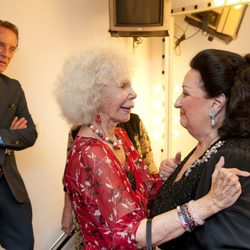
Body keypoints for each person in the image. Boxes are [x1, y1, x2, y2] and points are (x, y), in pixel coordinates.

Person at [54, 46, 248, 249]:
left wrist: (169, 177)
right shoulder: (91, 154)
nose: (133, 93)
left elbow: (145, 193)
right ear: (95, 95)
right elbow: (129, 235)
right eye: (123, 86)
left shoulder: (118, 137)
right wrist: (207, 205)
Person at [150, 49, 250, 249]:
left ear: (216, 103)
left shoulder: (232, 157)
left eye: (186, 93)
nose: (177, 102)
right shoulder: (203, 147)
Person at [61, 113, 158, 249]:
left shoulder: (129, 127)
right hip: (104, 231)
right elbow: (70, 176)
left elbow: (148, 165)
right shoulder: (82, 138)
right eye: (122, 89)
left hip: (135, 229)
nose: (132, 94)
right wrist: (67, 211)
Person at [0, 20, 38, 249]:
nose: (6, 53)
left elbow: (30, 134)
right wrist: (9, 134)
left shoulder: (13, 87)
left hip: (9, 190)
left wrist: (2, 139)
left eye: (12, 48)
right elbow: (17, 135)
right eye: (0, 45)